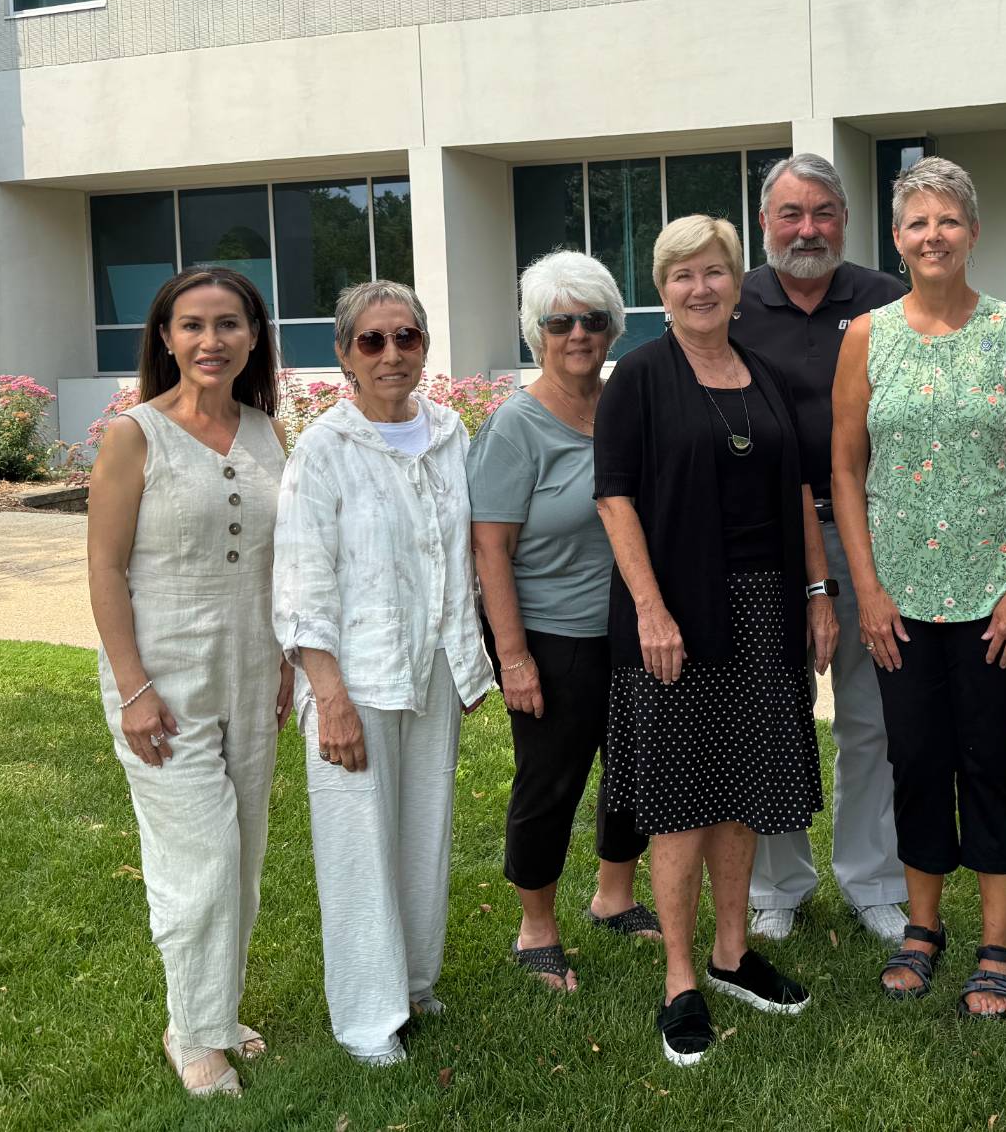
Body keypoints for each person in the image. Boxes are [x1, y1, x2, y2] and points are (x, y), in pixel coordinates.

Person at [595, 214, 836, 1066]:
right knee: (678, 798)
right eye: (681, 274)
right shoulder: (638, 378)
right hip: (677, 612)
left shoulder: (763, 374)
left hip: (766, 607)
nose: (700, 288)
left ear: (738, 282)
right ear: (661, 291)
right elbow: (614, 498)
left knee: (743, 785)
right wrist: (652, 610)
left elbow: (800, 490)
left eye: (714, 271)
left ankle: (733, 956)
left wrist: (818, 594)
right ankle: (679, 979)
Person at [829, 156, 1006, 1021]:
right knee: (916, 756)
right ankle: (922, 930)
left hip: (998, 591)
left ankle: (997, 944)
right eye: (918, 223)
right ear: (897, 239)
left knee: (986, 755)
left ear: (973, 233)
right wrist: (867, 588)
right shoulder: (867, 336)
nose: (934, 236)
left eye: (949, 220)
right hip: (897, 598)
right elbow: (845, 469)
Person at [272, 279, 494, 1067]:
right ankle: (368, 1020)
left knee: (424, 833)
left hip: (431, 668)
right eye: (373, 340)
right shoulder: (323, 450)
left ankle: (414, 983)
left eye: (407, 337)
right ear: (345, 354)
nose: (392, 353)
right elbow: (302, 580)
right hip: (354, 680)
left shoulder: (450, 434)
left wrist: (469, 659)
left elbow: (463, 557)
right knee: (358, 849)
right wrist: (327, 696)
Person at [86, 266, 293, 1098]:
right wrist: (133, 688)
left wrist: (286, 662)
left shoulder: (268, 431)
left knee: (242, 857)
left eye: (229, 323)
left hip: (252, 673)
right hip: (162, 684)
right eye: (193, 325)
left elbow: (282, 562)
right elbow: (105, 568)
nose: (212, 340)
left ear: (254, 336)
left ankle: (219, 1009)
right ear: (166, 338)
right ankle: (193, 1032)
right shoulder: (135, 435)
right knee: (199, 859)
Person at [469, 250, 659, 993]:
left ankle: (615, 895)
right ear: (536, 333)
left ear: (613, 327)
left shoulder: (627, 408)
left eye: (593, 319)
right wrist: (513, 657)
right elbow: (490, 548)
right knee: (550, 781)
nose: (578, 333)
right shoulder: (516, 427)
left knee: (635, 768)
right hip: (551, 636)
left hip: (631, 630)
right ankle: (536, 929)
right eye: (559, 322)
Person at [734, 154, 912, 946]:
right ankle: (777, 886)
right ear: (764, 222)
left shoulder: (886, 299)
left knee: (872, 718)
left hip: (867, 535)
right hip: (762, 539)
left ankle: (875, 881)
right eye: (791, 213)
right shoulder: (731, 303)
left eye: (823, 213)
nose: (807, 230)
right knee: (774, 716)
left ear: (845, 219)